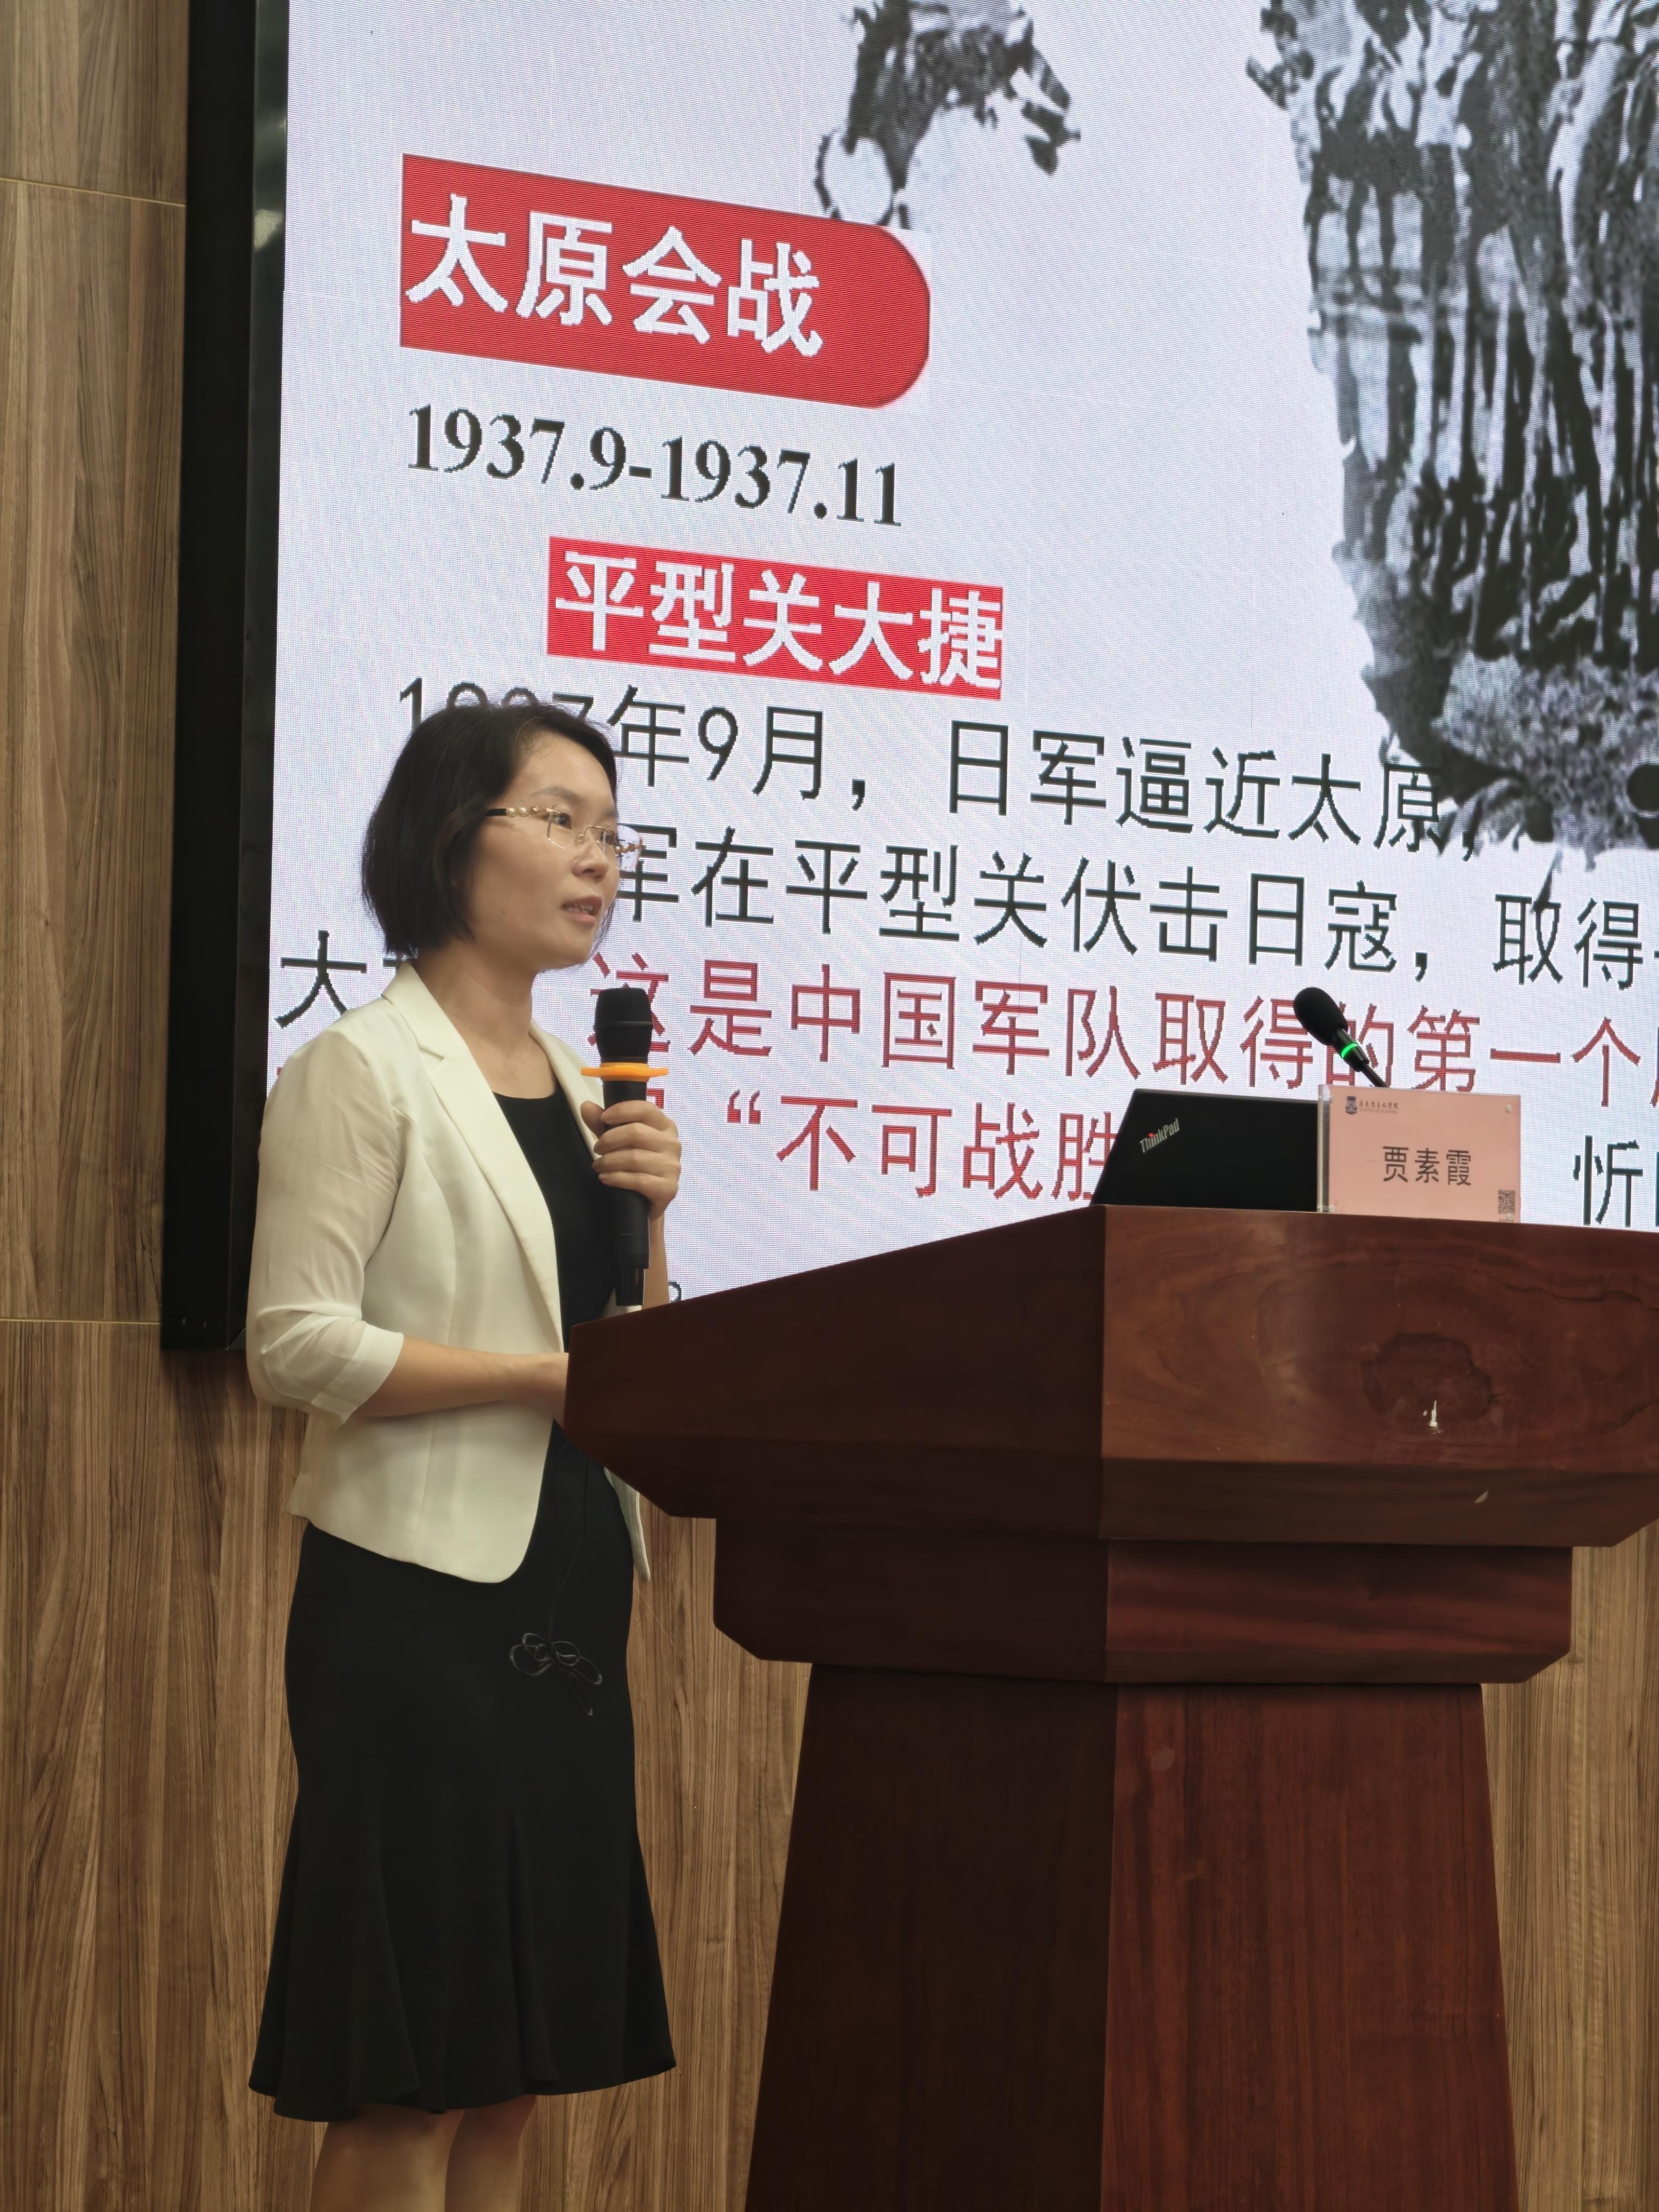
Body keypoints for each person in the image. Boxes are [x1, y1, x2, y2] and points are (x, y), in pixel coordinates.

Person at [244, 700, 680, 2211]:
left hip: (569, 1593)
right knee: (411, 2073)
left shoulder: (587, 1088)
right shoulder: (361, 1070)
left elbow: (624, 1350)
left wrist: (652, 1224)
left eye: (610, 831)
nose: (597, 858)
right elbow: (292, 1342)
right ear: (451, 839)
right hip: (417, 1611)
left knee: (509, 2080)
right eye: (557, 819)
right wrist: (534, 1382)